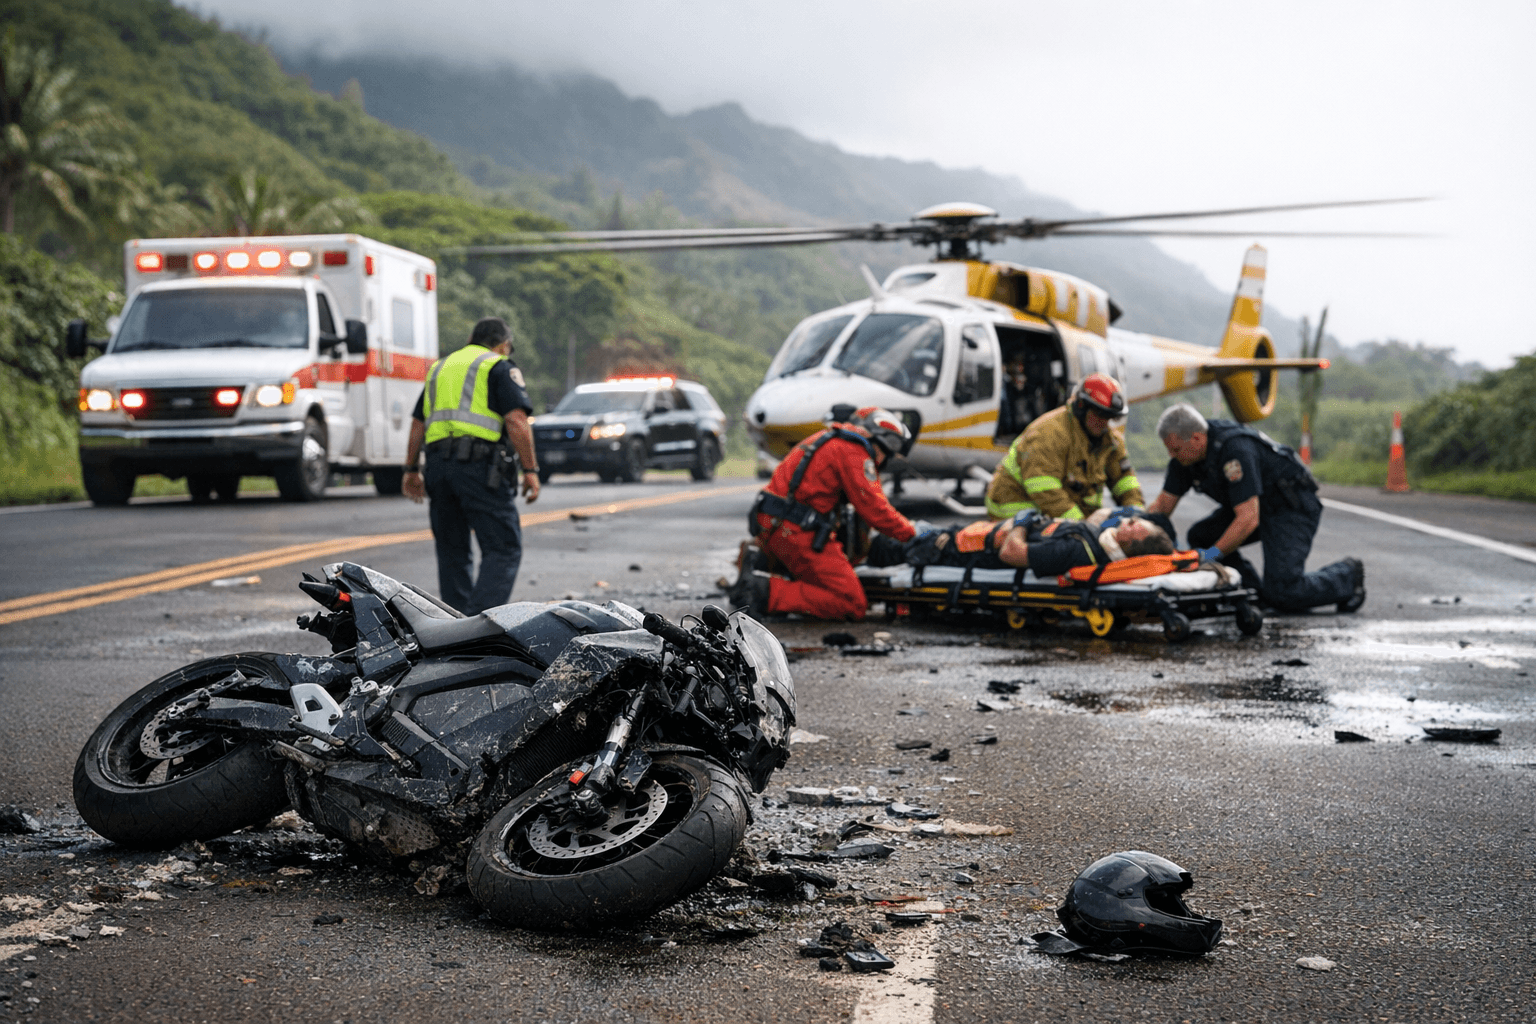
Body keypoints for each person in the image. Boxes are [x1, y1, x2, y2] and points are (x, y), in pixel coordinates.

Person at [1146, 403, 1365, 613]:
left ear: (1196, 438)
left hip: (1290, 507)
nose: (1171, 456)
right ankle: (1251, 593)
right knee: (1201, 536)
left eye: (1175, 449)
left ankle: (1347, 575)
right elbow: (1163, 506)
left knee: (1283, 592)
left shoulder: (1234, 449)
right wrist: (1132, 521)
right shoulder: (1184, 458)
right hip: (1256, 506)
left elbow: (1248, 519)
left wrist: (1212, 554)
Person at [402, 317, 541, 615]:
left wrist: (410, 469)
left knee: (452, 551)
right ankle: (478, 628)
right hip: (480, 467)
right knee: (503, 548)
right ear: (503, 343)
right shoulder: (498, 365)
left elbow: (418, 423)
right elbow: (516, 421)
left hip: (438, 468)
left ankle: (455, 626)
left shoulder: (440, 368)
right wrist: (530, 470)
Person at [743, 406, 924, 620]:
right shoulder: (853, 452)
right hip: (793, 531)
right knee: (851, 602)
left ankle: (763, 565)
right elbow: (876, 511)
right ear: (882, 441)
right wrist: (913, 534)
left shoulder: (829, 438)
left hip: (773, 523)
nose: (884, 460)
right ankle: (763, 592)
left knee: (833, 566)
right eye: (889, 451)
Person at [985, 373, 1144, 521]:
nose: (1104, 422)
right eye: (1099, 414)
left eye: (1109, 416)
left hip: (1063, 513)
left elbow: (1125, 481)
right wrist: (1081, 525)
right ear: (1081, 407)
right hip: (1016, 509)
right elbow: (1044, 488)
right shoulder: (1049, 433)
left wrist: (1137, 517)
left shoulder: (1110, 441)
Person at [906, 507, 1181, 577]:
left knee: (891, 540)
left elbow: (1012, 553)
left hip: (953, 549)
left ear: (1129, 545)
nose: (1128, 521)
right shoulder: (1098, 542)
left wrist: (1021, 524)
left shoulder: (1076, 551)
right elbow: (1097, 519)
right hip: (967, 534)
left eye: (1133, 525)